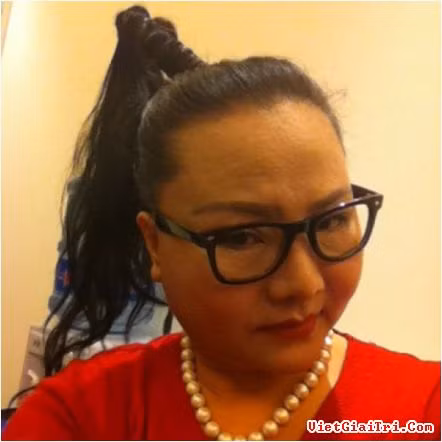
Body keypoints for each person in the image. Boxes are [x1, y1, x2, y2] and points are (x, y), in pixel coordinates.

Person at [3, 5, 440, 441]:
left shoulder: (422, 408)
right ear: (155, 245)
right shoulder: (79, 417)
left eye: (331, 220)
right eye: (242, 237)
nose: (305, 286)